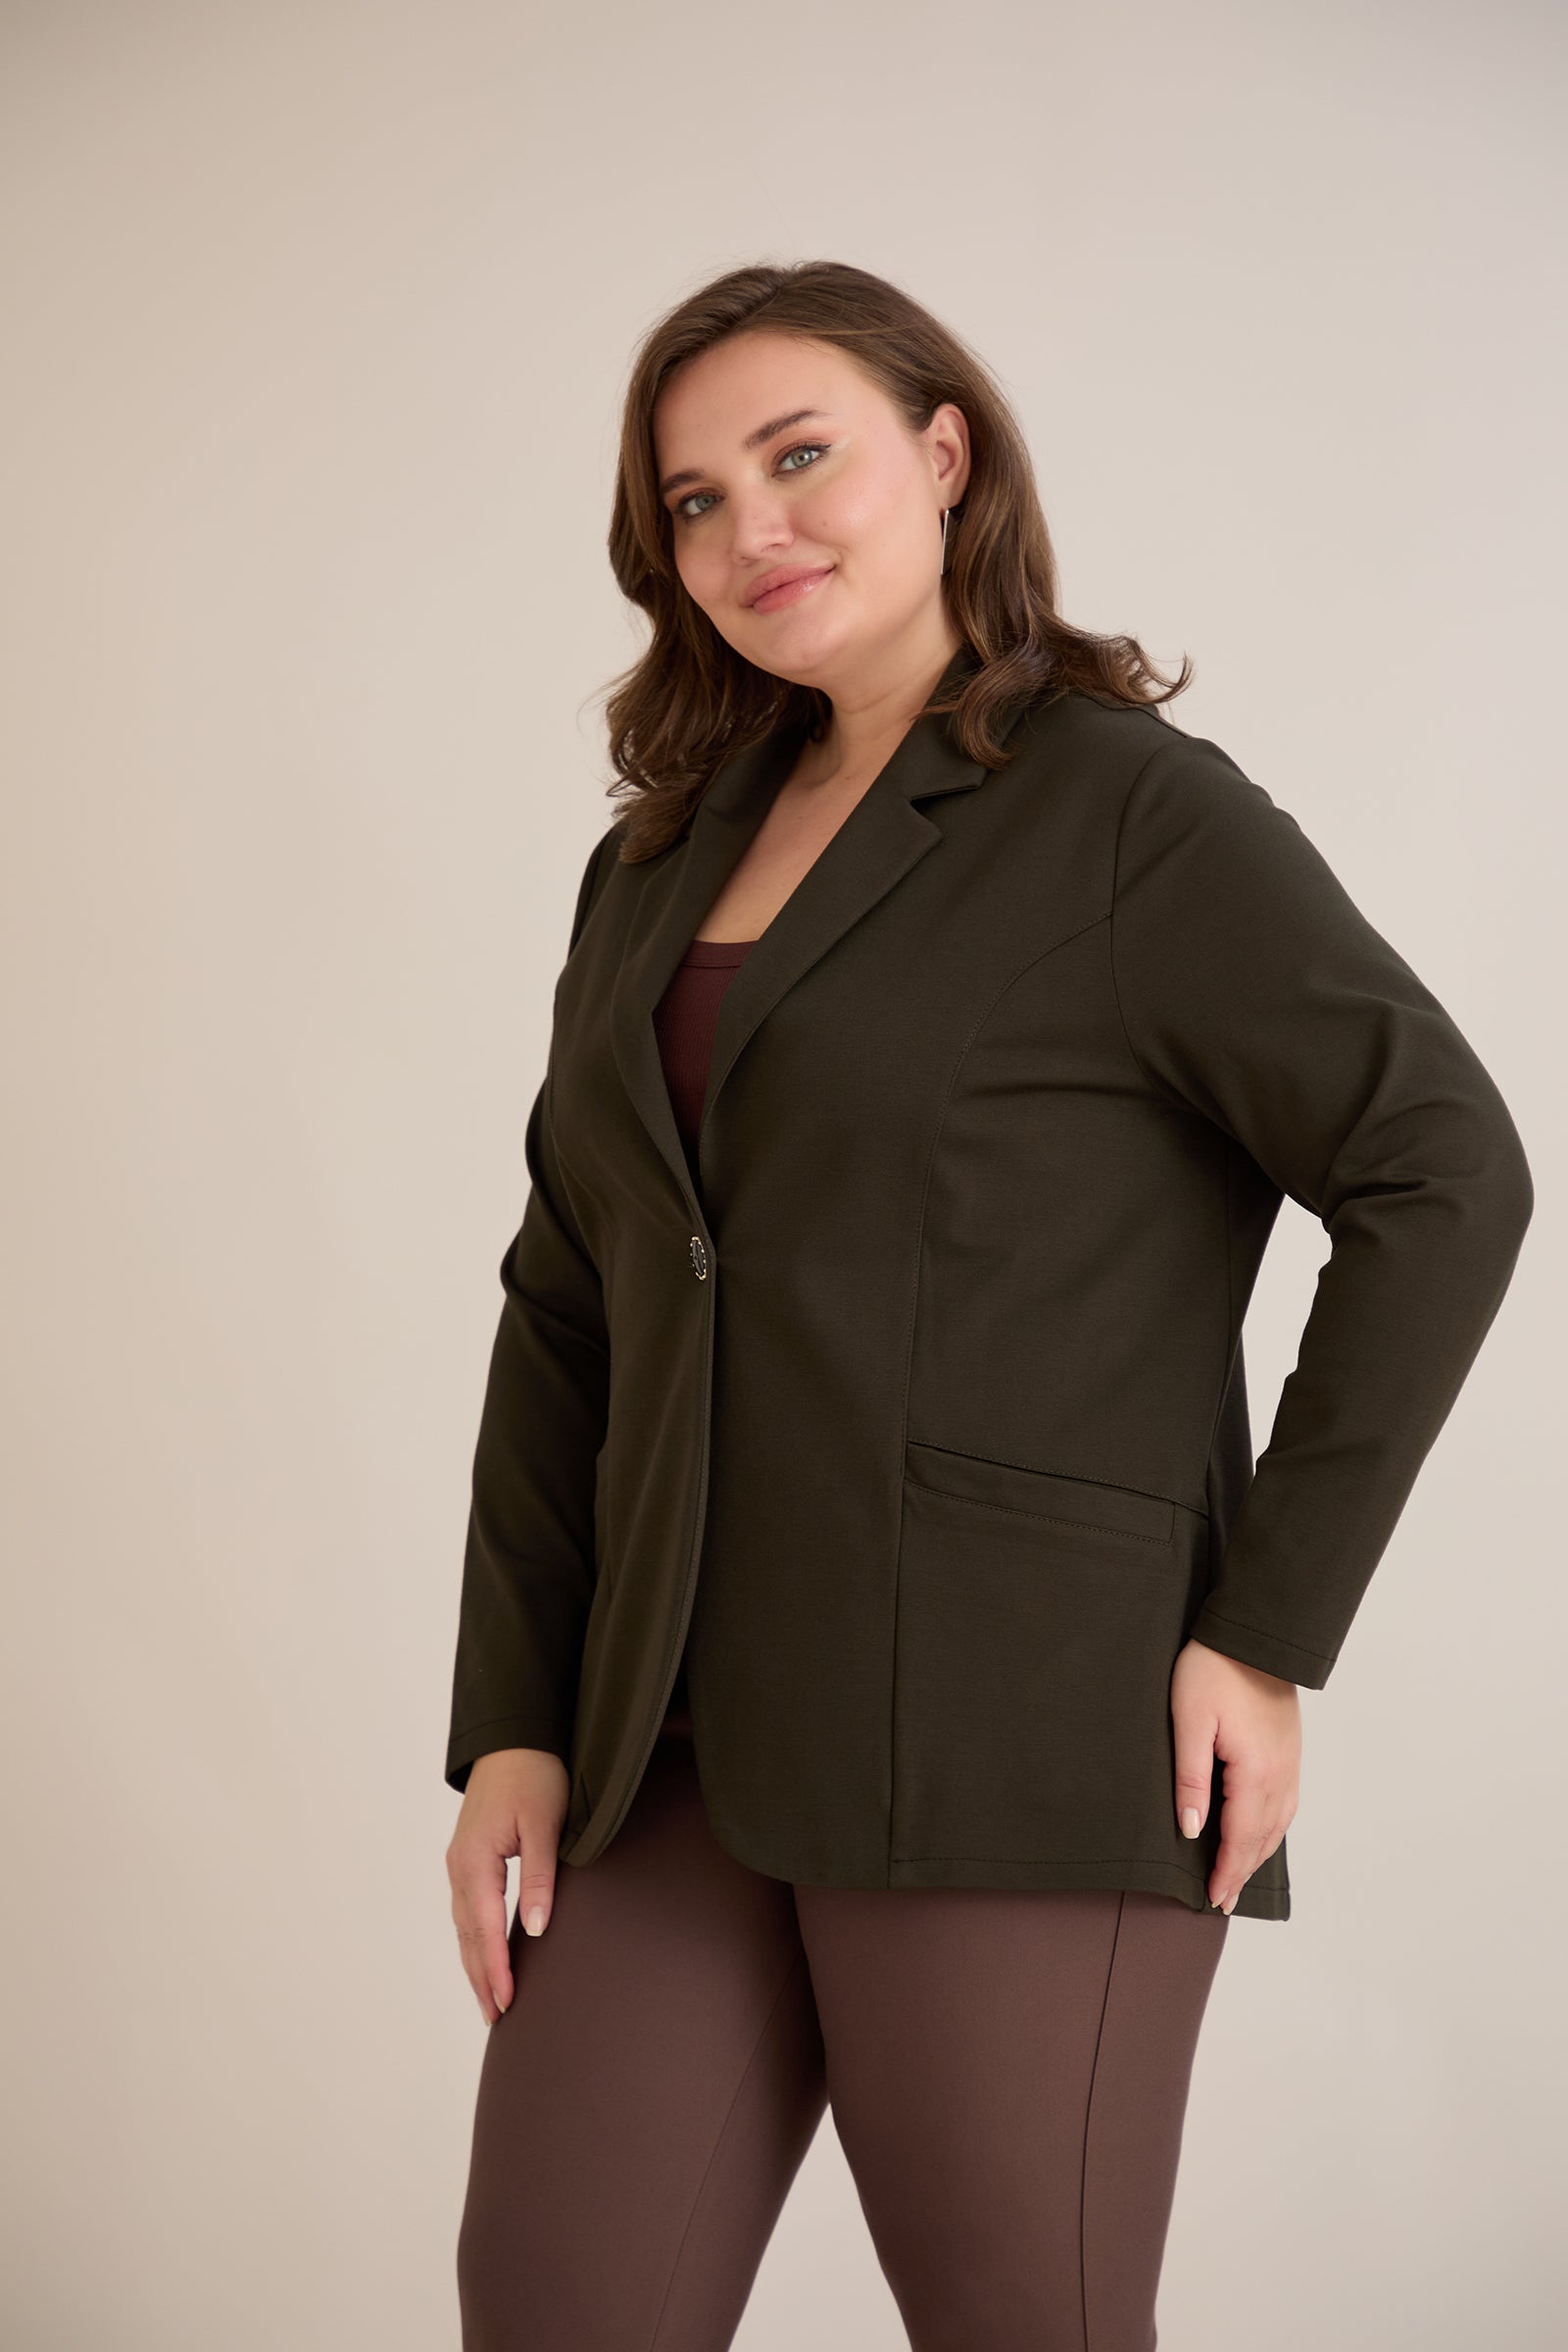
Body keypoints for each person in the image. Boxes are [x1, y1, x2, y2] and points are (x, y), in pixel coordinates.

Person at [442, 261, 1534, 2350]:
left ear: (943, 457)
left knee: (1020, 2318)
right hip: (663, 1736)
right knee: (555, 2301)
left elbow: (1443, 1168)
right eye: (693, 501)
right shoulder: (651, 867)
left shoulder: (1126, 810)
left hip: (1012, 1724)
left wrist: (1266, 1631)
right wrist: (511, 1716)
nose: (750, 530)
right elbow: (570, 1297)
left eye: (800, 457)